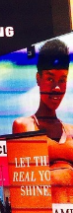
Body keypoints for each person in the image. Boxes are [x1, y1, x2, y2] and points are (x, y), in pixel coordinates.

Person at [13, 39, 73, 204]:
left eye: (62, 80)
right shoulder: (24, 125)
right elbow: (28, 177)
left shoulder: (70, 130)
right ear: (38, 78)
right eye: (50, 79)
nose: (57, 88)